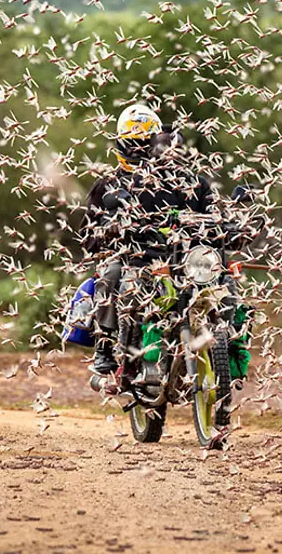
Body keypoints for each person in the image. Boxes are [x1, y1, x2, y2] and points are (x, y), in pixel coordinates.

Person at [80, 104, 215, 376]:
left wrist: (235, 223)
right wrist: (108, 229)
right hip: (133, 258)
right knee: (111, 272)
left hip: (183, 259)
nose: (138, 150)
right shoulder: (108, 185)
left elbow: (214, 214)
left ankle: (224, 352)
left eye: (145, 143)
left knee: (225, 284)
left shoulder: (186, 180)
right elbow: (86, 236)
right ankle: (105, 348)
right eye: (132, 143)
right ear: (120, 143)